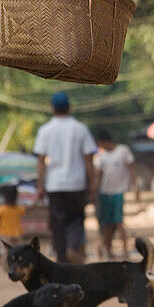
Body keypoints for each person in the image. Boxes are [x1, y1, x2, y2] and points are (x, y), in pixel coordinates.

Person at [33, 92, 97, 264]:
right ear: (69, 107)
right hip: (76, 184)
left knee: (57, 223)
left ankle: (62, 259)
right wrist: (92, 184)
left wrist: (40, 185)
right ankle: (72, 247)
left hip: (54, 185)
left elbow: (41, 161)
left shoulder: (45, 130)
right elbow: (88, 159)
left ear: (52, 108)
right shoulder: (80, 129)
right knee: (76, 219)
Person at [91, 130, 136, 261]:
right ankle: (107, 248)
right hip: (104, 193)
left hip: (118, 192)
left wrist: (135, 187)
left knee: (118, 222)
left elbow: (131, 169)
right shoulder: (100, 156)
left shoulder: (123, 151)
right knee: (106, 224)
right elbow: (97, 176)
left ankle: (125, 249)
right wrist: (94, 191)